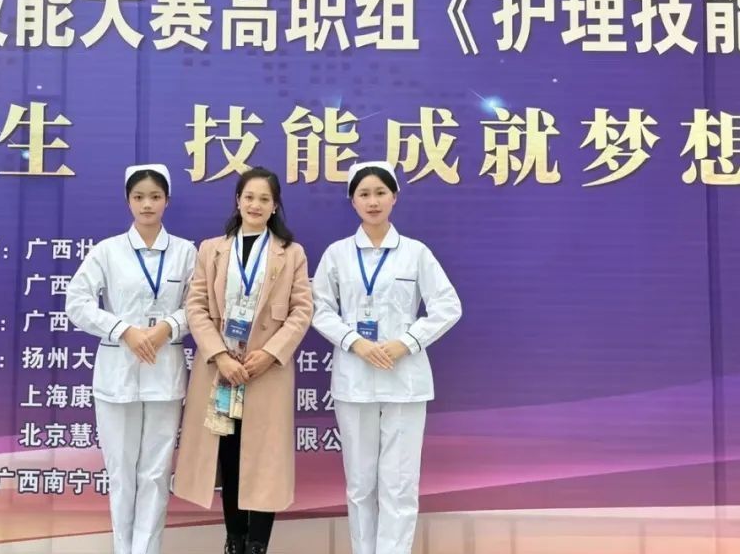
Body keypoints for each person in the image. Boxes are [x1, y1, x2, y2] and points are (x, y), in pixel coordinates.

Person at [310, 161, 462, 554]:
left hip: (404, 378)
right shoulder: (337, 254)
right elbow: (318, 308)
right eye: (364, 194)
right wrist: (353, 342)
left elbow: (448, 306)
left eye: (380, 192)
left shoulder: (416, 253)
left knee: (400, 483)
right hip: (354, 376)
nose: (373, 201)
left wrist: (407, 342)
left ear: (395, 197)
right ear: (352, 201)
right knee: (360, 483)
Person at [172, 167, 314, 554]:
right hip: (222, 372)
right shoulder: (212, 249)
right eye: (249, 197)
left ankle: (257, 544)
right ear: (238, 201)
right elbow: (196, 307)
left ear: (275, 206)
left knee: (264, 457)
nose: (255, 205)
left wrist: (269, 354)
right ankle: (234, 540)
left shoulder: (291, 253)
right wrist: (220, 355)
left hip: (265, 372)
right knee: (229, 453)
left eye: (264, 199)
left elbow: (302, 311)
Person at [63, 164, 197, 554]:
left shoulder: (185, 252)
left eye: (155, 196)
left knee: (155, 473)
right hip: (117, 376)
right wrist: (123, 329)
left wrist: (168, 326)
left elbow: (200, 307)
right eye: (139, 197)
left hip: (164, 373)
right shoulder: (107, 251)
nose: (147, 204)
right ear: (128, 201)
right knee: (121, 473)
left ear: (167, 200)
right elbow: (77, 303)